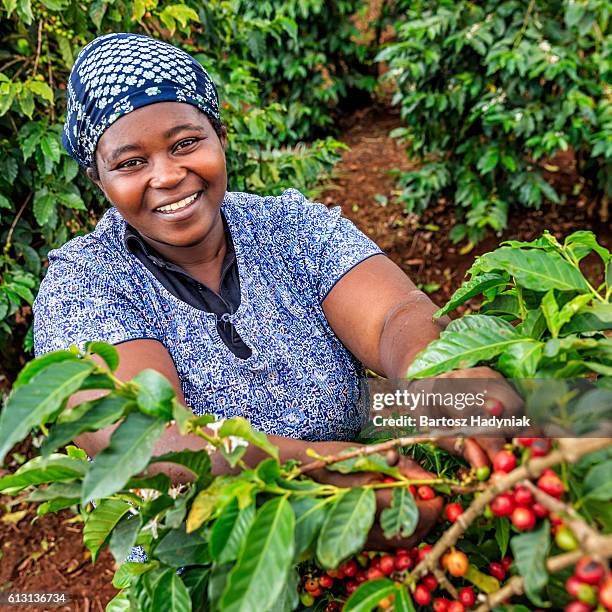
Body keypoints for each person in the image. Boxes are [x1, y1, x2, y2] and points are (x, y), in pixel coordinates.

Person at [33, 33, 511, 550]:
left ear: (219, 136)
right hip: (218, 555)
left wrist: (438, 375)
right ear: (99, 179)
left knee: (569, 412)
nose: (168, 175)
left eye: (186, 143)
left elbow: (393, 315)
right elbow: (148, 442)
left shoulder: (288, 227)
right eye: (130, 163)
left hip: (372, 481)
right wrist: (314, 474)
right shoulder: (83, 286)